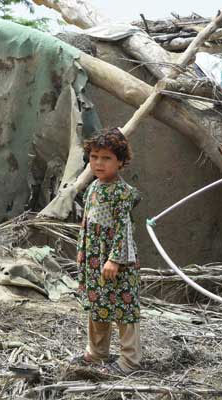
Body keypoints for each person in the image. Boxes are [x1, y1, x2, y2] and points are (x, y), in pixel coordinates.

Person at [74, 127, 142, 374]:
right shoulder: (94, 187)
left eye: (106, 158)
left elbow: (125, 229)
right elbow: (88, 225)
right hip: (94, 260)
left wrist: (114, 260)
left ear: (121, 162)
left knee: (123, 309)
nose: (99, 163)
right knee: (97, 304)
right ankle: (97, 353)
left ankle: (129, 361)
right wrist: (83, 254)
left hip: (116, 263)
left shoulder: (122, 193)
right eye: (94, 157)